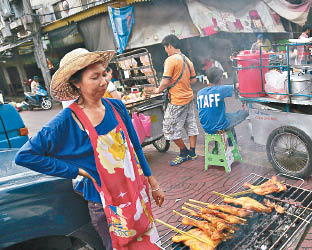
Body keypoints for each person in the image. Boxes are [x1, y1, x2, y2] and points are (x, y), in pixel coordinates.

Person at [15, 48, 165, 250]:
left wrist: (153, 182)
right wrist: (77, 171)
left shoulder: (116, 107)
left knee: (147, 243)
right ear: (76, 83)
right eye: (95, 77)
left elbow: (134, 147)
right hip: (104, 205)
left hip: (135, 192)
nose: (103, 81)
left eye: (104, 74)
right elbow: (26, 156)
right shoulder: (66, 120)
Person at [152, 35, 199, 166]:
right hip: (189, 97)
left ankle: (183, 152)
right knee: (190, 124)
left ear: (169, 46)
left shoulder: (171, 60)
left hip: (177, 99)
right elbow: (194, 80)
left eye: (165, 47)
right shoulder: (187, 60)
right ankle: (193, 152)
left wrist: (158, 90)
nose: (166, 50)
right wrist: (183, 83)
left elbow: (166, 81)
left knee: (168, 129)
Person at [197, 67, 249, 143]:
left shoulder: (200, 92)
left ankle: (229, 148)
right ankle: (231, 150)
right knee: (243, 113)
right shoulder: (220, 89)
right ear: (220, 78)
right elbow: (239, 86)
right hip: (219, 127)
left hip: (206, 127)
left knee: (229, 117)